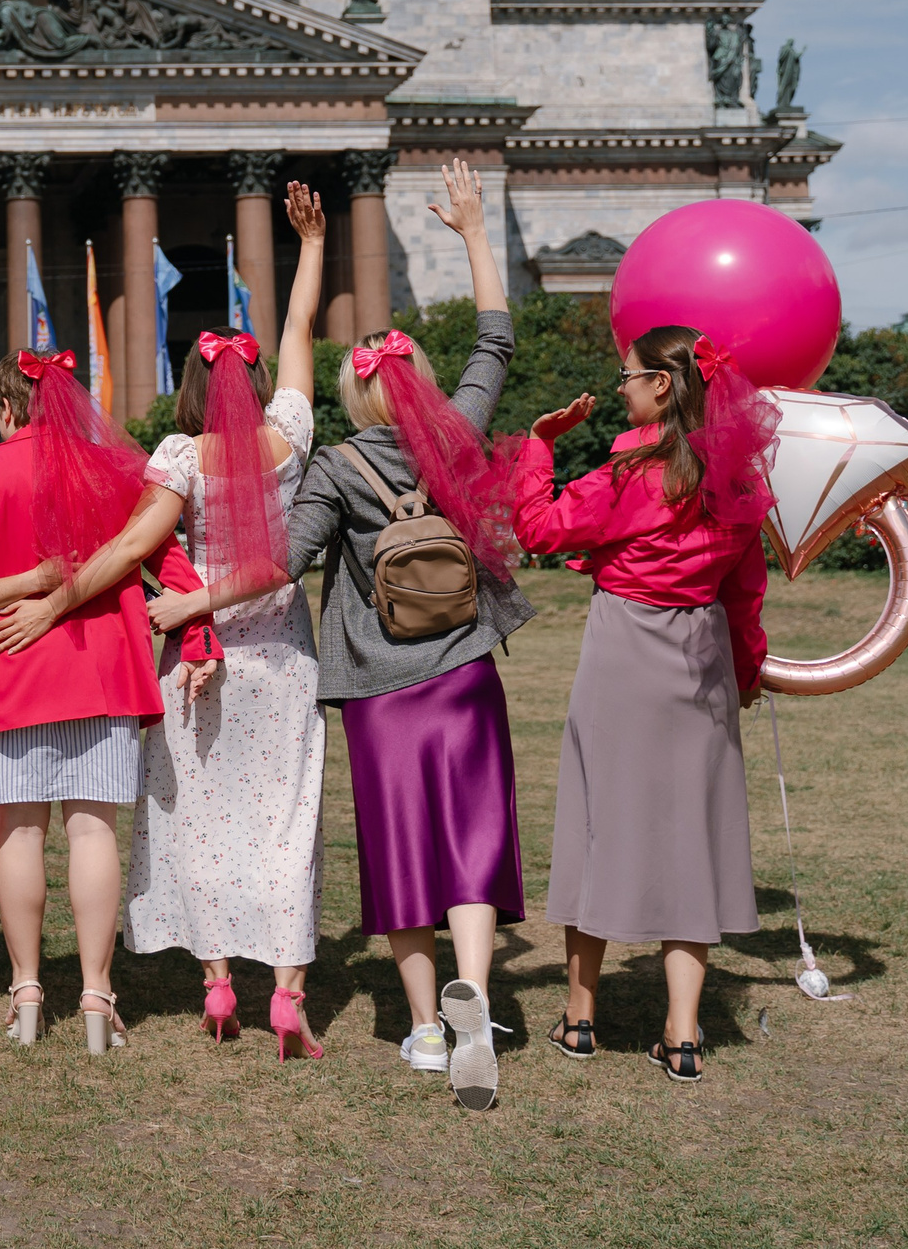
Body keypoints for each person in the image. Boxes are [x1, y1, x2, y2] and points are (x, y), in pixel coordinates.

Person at [0, 182, 330, 1054]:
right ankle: (287, 990)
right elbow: (298, 339)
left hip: (198, 650)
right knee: (289, 820)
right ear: (255, 381)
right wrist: (313, 249)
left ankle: (217, 980)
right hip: (283, 653)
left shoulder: (180, 453)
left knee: (203, 819)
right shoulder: (291, 434)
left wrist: (56, 600)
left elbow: (132, 544)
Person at [280, 158, 531, 1111]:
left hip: (379, 691)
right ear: (418, 384)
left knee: (401, 848)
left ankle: (427, 1026)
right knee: (471, 840)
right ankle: (478, 992)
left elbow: (289, 559)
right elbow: (494, 345)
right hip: (463, 668)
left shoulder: (338, 468)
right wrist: (472, 231)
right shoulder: (454, 434)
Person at [0, 347, 223, 1056]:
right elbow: (165, 559)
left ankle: (26, 990)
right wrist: (200, 631)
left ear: (3, 408)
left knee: (18, 835)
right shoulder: (117, 466)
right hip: (103, 673)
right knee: (94, 833)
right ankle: (95, 994)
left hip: (10, 667)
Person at [513, 327, 776, 1085]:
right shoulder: (737, 479)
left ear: (663, 384)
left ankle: (580, 1015)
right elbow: (744, 592)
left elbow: (539, 527)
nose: (620, 385)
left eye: (628, 375)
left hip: (623, 649)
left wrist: (538, 444)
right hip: (701, 660)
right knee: (691, 832)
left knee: (598, 824)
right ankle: (684, 1034)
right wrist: (747, 671)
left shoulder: (629, 473)